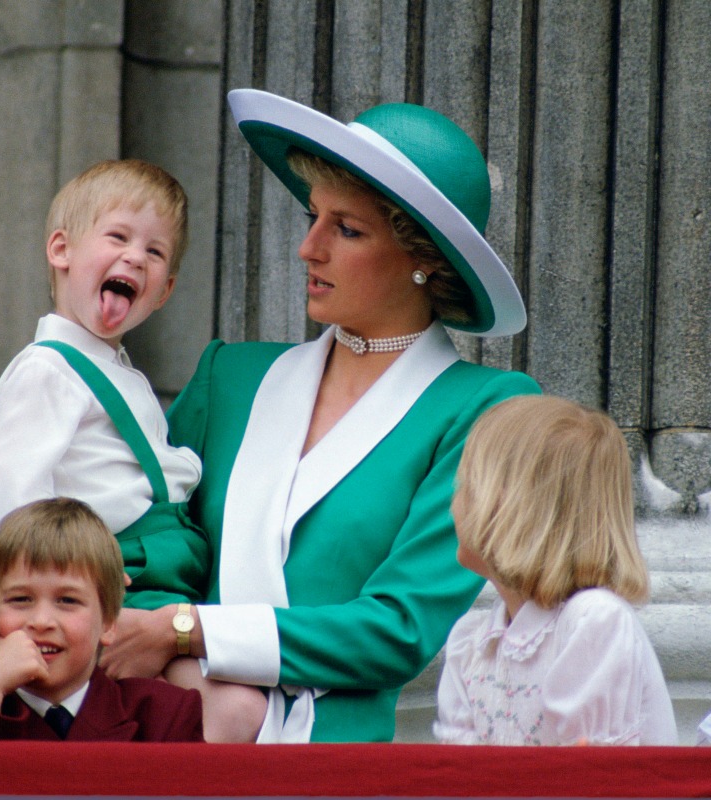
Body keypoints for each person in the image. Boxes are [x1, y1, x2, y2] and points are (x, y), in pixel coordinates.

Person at [99, 88, 540, 743]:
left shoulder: (486, 410)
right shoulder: (231, 375)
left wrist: (188, 631)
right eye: (313, 216)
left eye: (347, 229)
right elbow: (149, 547)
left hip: (337, 766)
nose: (308, 248)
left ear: (425, 258)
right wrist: (168, 648)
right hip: (172, 737)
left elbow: (399, 629)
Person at [0, 159, 266, 742]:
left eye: (156, 254)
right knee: (235, 713)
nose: (136, 257)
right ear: (61, 250)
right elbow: (8, 510)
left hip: (164, 583)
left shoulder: (119, 371)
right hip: (118, 585)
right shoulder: (46, 370)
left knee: (232, 705)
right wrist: (53, 608)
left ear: (166, 291)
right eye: (118, 237)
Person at [433, 395, 678, 746]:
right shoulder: (472, 642)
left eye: (464, 487)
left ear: (507, 505)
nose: (452, 505)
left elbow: (589, 781)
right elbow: (458, 778)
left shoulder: (593, 621)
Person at [0, 498, 204, 741]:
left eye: (67, 600)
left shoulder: (165, 717)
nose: (41, 621)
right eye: (20, 599)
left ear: (109, 623)